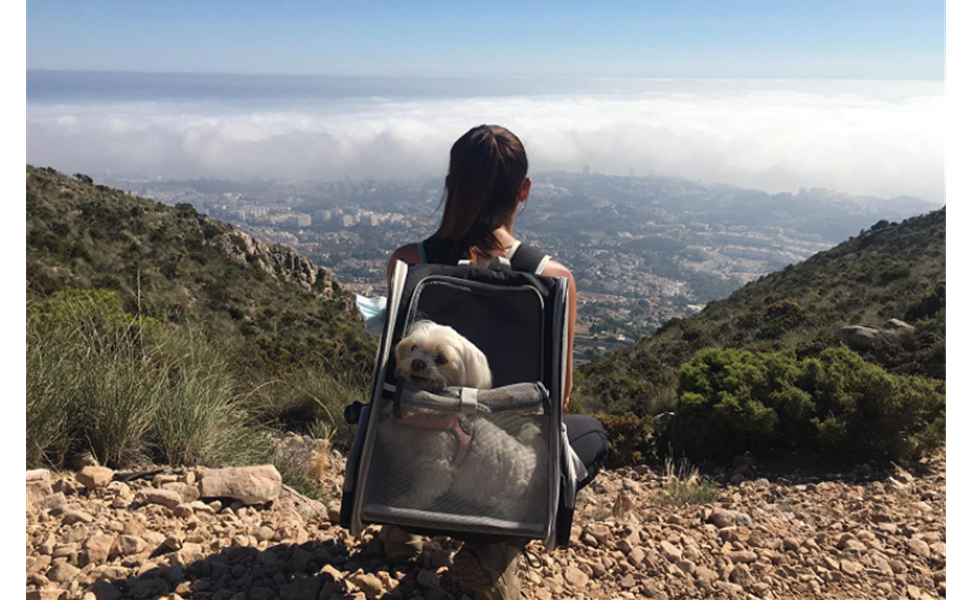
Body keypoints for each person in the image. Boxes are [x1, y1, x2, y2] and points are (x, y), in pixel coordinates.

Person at [383, 124, 608, 600]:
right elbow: (557, 400)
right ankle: (491, 549)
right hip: (495, 487)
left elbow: (388, 375)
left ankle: (400, 529)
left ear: (450, 185)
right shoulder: (553, 280)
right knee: (589, 432)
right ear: (523, 191)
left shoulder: (407, 264)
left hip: (403, 476)